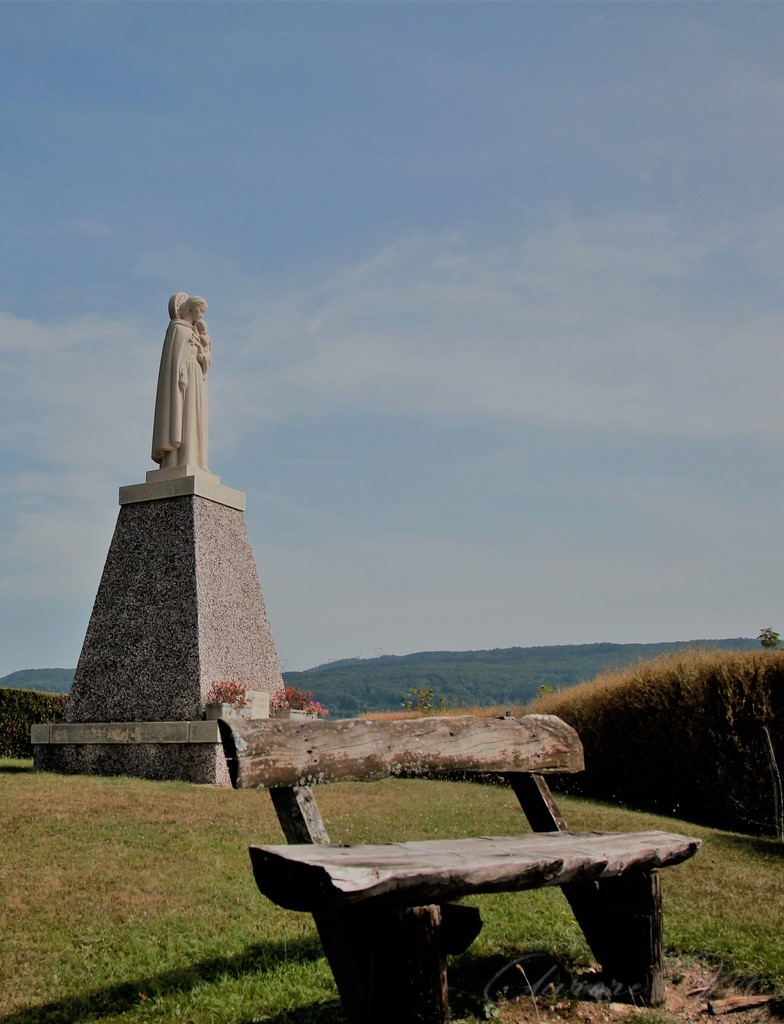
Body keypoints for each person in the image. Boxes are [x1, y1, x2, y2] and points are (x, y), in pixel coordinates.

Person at [151, 293, 210, 471]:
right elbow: (175, 360)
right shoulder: (177, 329)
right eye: (200, 310)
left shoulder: (196, 333)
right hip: (182, 379)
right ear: (191, 308)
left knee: (194, 416)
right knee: (182, 415)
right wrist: (182, 371)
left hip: (197, 377)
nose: (201, 314)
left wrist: (204, 355)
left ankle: (194, 459)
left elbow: (205, 359)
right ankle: (176, 459)